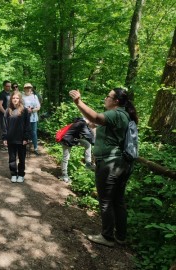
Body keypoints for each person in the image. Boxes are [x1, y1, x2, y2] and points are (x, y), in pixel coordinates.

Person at [69, 87, 138, 247]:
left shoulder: (117, 113)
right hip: (121, 164)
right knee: (118, 201)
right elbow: (98, 123)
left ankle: (107, 236)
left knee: (106, 201)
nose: (105, 98)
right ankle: (121, 236)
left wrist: (78, 102)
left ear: (116, 101)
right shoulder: (122, 115)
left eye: (109, 96)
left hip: (110, 165)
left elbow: (96, 117)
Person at [2, 91, 31, 183]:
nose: (15, 99)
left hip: (21, 139)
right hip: (11, 138)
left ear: (20, 99)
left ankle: (21, 174)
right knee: (12, 158)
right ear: (11, 99)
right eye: (13, 98)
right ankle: (13, 174)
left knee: (22, 158)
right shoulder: (7, 111)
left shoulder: (25, 110)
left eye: (17, 98)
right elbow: (5, 125)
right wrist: (5, 137)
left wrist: (26, 138)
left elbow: (27, 125)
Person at [60, 117, 95, 183]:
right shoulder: (82, 124)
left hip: (73, 140)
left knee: (87, 144)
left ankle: (88, 163)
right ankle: (64, 175)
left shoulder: (83, 123)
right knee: (66, 158)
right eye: (91, 123)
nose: (92, 124)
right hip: (67, 140)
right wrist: (96, 144)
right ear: (89, 121)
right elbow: (88, 135)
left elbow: (90, 134)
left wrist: (94, 141)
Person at [22, 83, 41, 155]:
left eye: (29, 87)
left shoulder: (35, 96)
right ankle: (23, 146)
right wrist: (26, 110)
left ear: (31, 88)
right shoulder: (22, 97)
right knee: (24, 132)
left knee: (34, 132)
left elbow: (38, 107)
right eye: (26, 87)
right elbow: (19, 106)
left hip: (33, 117)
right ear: (24, 88)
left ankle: (35, 148)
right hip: (24, 117)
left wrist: (32, 110)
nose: (28, 89)